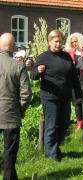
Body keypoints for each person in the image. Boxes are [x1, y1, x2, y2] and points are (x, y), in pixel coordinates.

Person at [31, 29, 82, 162]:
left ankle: (54, 147)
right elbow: (33, 76)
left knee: (64, 124)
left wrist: (78, 94)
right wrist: (38, 70)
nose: (58, 44)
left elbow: (74, 77)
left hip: (65, 97)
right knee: (52, 125)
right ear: (49, 42)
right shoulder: (43, 57)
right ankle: (52, 153)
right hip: (50, 97)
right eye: (56, 41)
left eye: (60, 41)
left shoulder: (66, 56)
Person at [0, 33, 32, 180]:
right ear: (13, 47)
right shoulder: (18, 66)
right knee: (10, 153)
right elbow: (26, 95)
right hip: (11, 115)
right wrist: (20, 111)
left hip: (10, 114)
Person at [65, 32, 83, 131]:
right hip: (74, 82)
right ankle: (79, 123)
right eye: (72, 42)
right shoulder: (70, 53)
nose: (74, 44)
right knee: (77, 102)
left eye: (76, 41)